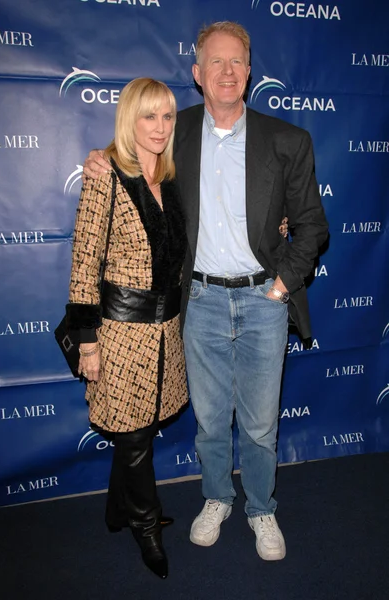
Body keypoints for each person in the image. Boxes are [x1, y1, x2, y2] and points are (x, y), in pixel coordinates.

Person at [83, 22, 328, 561]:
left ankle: (261, 508)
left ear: (248, 71)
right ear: (197, 73)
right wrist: (98, 159)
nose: (226, 71)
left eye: (236, 61)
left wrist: (283, 284)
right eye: (214, 62)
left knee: (261, 424)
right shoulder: (177, 132)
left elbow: (311, 225)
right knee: (212, 420)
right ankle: (216, 497)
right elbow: (130, 150)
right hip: (200, 302)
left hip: (265, 300)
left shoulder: (288, 141)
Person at [67, 78, 188, 579]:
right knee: (136, 435)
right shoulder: (106, 175)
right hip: (120, 334)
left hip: (166, 331)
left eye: (167, 117)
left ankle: (118, 509)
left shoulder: (173, 175)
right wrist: (87, 340)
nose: (159, 128)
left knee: (137, 430)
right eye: (148, 116)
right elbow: (83, 260)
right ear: (129, 119)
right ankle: (145, 526)